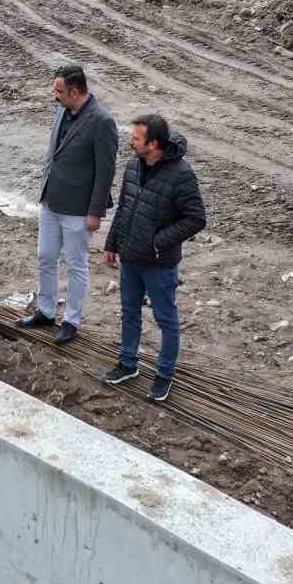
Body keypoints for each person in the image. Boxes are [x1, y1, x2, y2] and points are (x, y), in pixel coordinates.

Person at [100, 114, 206, 402]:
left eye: (135, 138)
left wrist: (159, 241)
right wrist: (112, 243)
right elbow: (124, 208)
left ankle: (164, 375)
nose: (130, 142)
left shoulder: (181, 174)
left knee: (166, 319)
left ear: (154, 144)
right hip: (131, 258)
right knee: (129, 311)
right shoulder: (134, 165)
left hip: (160, 264)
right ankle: (128, 364)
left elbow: (196, 218)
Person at [17, 64, 117, 344]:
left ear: (74, 92)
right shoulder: (61, 110)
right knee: (46, 257)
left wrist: (95, 212)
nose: (54, 95)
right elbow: (54, 153)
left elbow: (105, 171)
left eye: (58, 91)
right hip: (51, 201)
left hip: (78, 209)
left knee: (76, 265)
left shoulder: (102, 121)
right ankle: (46, 311)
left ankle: (71, 320)